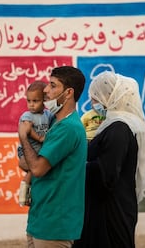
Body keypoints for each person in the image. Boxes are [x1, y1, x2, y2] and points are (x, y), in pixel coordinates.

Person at [73, 71, 145, 248]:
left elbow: (107, 173)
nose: (92, 104)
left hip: (111, 210)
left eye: (95, 98)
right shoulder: (117, 124)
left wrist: (74, 165)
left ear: (109, 97)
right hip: (111, 205)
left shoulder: (119, 127)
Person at [18, 66, 87, 248]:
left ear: (68, 93)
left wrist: (24, 136)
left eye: (52, 85)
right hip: (40, 218)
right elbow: (29, 164)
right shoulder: (56, 123)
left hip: (55, 224)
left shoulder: (68, 128)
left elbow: (38, 168)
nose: (46, 90)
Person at [17, 81, 53, 207]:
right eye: (29, 101)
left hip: (38, 151)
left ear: (45, 100)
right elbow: (27, 129)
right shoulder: (27, 115)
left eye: (35, 101)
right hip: (27, 149)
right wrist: (38, 137)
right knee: (34, 170)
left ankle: (27, 195)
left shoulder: (48, 114)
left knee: (34, 172)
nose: (31, 105)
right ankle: (23, 193)